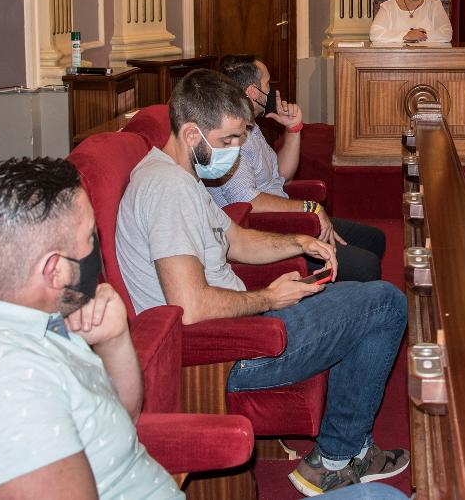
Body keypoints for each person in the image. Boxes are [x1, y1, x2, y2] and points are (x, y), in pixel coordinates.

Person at [115, 70, 410, 496]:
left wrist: (296, 239)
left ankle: (347, 452)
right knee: (384, 303)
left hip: (244, 330)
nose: (234, 153)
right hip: (231, 353)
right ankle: (335, 459)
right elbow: (190, 307)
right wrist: (269, 297)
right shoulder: (166, 191)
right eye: (228, 140)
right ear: (192, 132)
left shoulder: (180, 176)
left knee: (360, 298)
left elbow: (234, 239)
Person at [0, 158, 182, 499]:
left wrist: (115, 341)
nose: (98, 247)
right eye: (91, 238)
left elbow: (117, 422)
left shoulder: (26, 314)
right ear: (55, 271)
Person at [215, 54, 387, 282]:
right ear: (253, 92)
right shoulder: (231, 137)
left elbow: (281, 176)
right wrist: (310, 208)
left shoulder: (251, 126)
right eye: (267, 84)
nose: (272, 91)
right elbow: (249, 202)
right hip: (267, 230)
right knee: (366, 266)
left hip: (288, 217)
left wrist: (293, 130)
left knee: (375, 239)